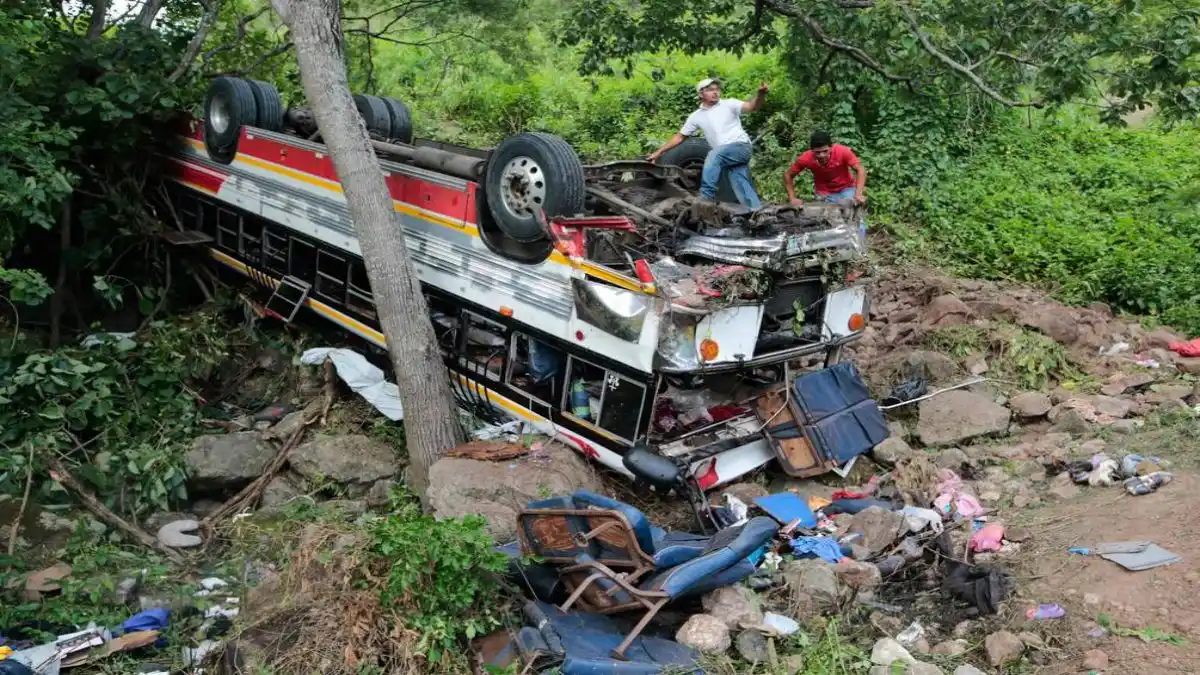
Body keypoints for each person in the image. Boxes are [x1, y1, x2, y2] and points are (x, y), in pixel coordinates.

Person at [647, 78, 768, 209]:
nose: (715, 92)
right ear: (701, 94)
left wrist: (760, 95)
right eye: (710, 90)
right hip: (726, 154)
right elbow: (680, 137)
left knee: (714, 155)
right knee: (739, 181)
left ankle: (705, 198)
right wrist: (658, 152)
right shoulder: (696, 116)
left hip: (740, 147)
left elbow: (753, 107)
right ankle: (757, 211)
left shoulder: (729, 104)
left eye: (717, 89)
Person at [784, 130, 868, 236]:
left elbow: (861, 170)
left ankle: (860, 248)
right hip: (824, 193)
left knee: (856, 219)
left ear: (831, 147)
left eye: (825, 151)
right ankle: (835, 248)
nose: (822, 155)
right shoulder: (806, 158)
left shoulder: (842, 151)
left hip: (846, 188)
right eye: (817, 152)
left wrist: (858, 194)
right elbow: (788, 175)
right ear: (811, 150)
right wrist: (792, 198)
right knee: (826, 224)